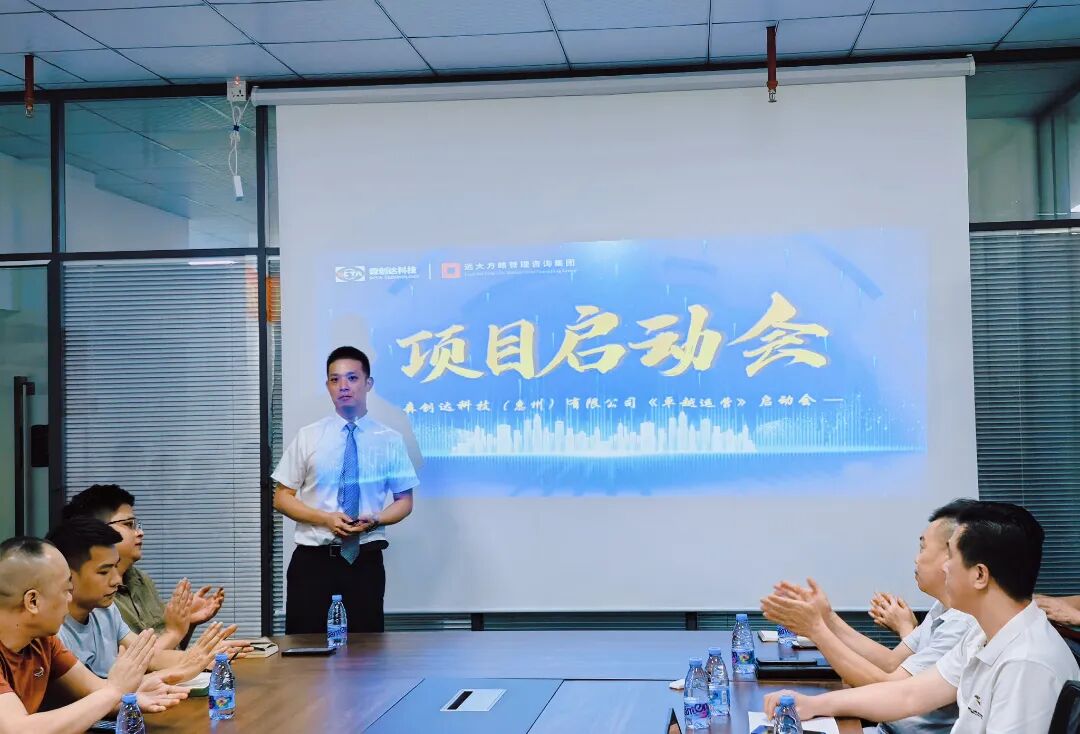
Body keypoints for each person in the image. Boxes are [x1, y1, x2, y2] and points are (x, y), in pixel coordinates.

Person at [764, 501, 1080, 733]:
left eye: (951, 557)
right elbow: (908, 694)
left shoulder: (1026, 663)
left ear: (980, 575)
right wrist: (811, 704)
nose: (944, 567)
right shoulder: (984, 634)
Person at [761, 500, 980, 733]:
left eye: (923, 548)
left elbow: (892, 688)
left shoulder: (963, 622)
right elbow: (892, 663)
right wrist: (828, 618)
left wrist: (818, 630)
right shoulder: (943, 608)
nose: (916, 559)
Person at [273, 345, 419, 633]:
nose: (343, 386)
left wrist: (376, 518)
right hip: (313, 561)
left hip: (364, 560)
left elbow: (404, 501)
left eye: (352, 378)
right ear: (328, 386)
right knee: (304, 648)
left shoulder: (389, 439)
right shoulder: (309, 436)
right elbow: (281, 497)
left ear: (368, 383)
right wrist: (325, 519)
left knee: (366, 650)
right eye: (335, 379)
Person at [0, 536, 186, 733]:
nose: (70, 598)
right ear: (33, 601)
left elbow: (96, 691)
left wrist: (130, 696)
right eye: (66, 591)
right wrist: (114, 691)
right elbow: (17, 729)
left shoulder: (43, 641)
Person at [46, 518, 236, 683]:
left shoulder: (106, 610)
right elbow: (98, 692)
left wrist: (203, 656)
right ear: (67, 575)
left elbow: (148, 657)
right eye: (104, 572)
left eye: (115, 568)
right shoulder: (52, 631)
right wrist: (186, 665)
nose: (116, 580)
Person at [61, 484, 226, 650]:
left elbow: (165, 651)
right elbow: (141, 658)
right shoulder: (96, 599)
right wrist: (178, 635)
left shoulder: (141, 580)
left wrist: (186, 623)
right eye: (129, 525)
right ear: (97, 530)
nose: (140, 532)